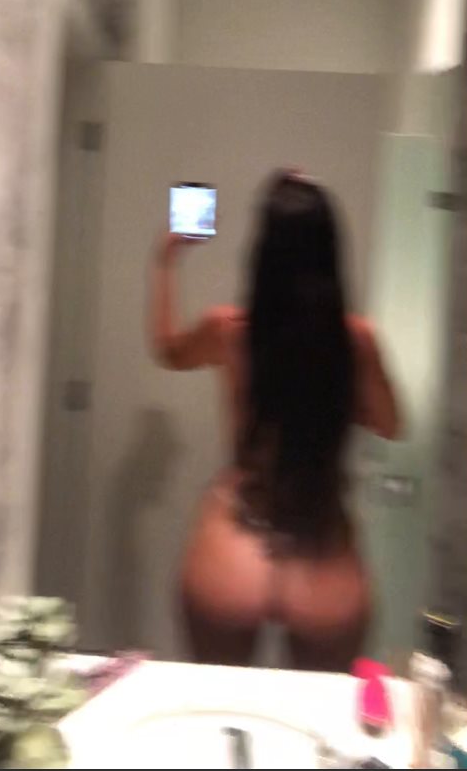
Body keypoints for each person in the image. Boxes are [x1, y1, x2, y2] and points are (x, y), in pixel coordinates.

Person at [149, 169, 401, 671]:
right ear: (329, 251)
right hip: (321, 545)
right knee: (319, 715)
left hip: (237, 539)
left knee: (219, 705)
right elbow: (390, 424)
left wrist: (166, 261)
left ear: (262, 252)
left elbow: (168, 350)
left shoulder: (229, 330)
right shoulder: (356, 341)